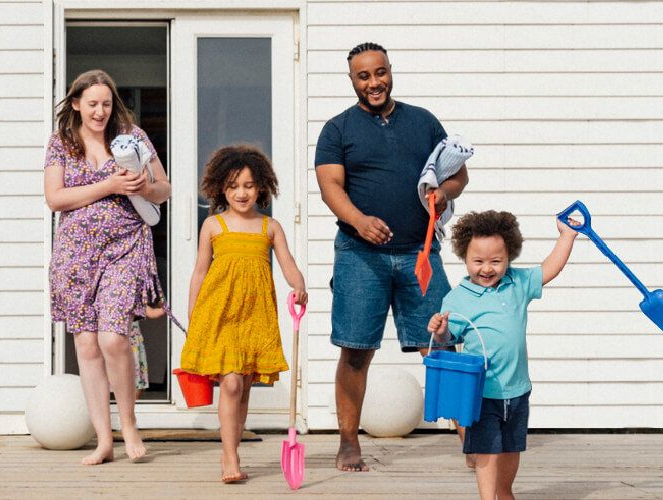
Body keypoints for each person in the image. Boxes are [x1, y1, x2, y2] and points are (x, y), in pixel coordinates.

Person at [314, 41, 470, 472]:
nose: (374, 82)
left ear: (389, 72)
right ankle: (348, 443)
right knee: (356, 349)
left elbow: (457, 174)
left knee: (442, 344)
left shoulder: (423, 123)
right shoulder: (337, 129)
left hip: (420, 253)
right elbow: (331, 188)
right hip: (359, 255)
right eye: (363, 76)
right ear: (352, 81)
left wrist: (444, 192)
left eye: (379, 72)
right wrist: (360, 220)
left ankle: (469, 439)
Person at [44, 69, 172, 465]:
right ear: (77, 103)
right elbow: (55, 198)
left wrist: (142, 187)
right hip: (75, 254)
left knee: (114, 338)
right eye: (92, 104)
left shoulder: (132, 136)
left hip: (125, 246)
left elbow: (163, 189)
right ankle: (104, 440)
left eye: (106, 103)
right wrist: (109, 186)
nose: (100, 111)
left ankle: (129, 424)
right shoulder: (61, 142)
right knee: (86, 344)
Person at [427, 210, 578, 500]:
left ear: (508, 256)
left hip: (518, 390)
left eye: (496, 261)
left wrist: (567, 236)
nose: (487, 268)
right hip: (481, 393)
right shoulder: (457, 298)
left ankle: (505, 492)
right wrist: (441, 331)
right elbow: (448, 337)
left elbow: (550, 268)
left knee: (511, 449)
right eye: (478, 261)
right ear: (464, 256)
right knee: (486, 451)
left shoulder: (517, 284)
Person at [182, 145, 308, 484]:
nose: (242, 193)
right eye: (234, 185)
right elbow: (198, 273)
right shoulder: (213, 225)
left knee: (245, 385)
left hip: (255, 315)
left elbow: (288, 264)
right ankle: (230, 455)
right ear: (222, 188)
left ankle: (232, 444)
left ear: (261, 187)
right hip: (219, 313)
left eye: (249, 185)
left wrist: (298, 286)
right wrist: (193, 312)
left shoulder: (270, 227)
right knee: (232, 383)